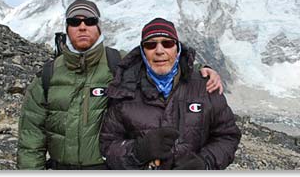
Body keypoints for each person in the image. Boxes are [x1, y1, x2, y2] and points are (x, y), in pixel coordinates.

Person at [16, 0, 223, 170]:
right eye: (74, 21)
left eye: (89, 20)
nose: (82, 27)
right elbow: (31, 137)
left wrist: (202, 70)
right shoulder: (48, 74)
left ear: (98, 26)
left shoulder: (118, 64)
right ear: (67, 28)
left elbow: (161, 61)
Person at [100, 17, 241, 170]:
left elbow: (227, 136)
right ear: (142, 52)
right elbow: (108, 146)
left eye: (167, 43)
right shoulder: (125, 91)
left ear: (178, 49)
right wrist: (138, 151)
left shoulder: (205, 86)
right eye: (150, 45)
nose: (159, 51)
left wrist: (204, 163)